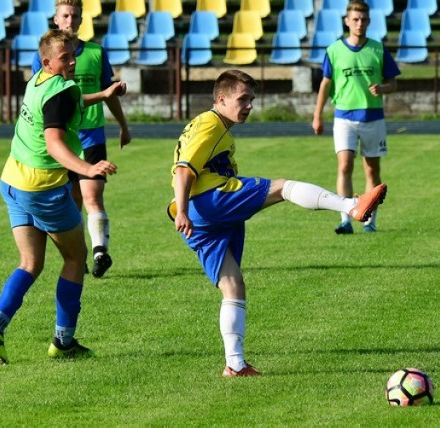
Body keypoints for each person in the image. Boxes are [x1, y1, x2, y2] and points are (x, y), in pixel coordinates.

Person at [169, 69, 387, 377]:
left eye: (252, 100)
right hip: (208, 200)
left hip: (199, 215)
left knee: (233, 286)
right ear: (221, 99)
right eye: (242, 99)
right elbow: (183, 170)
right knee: (283, 187)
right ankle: (352, 205)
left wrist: (182, 210)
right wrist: (183, 211)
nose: (248, 106)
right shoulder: (210, 124)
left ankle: (235, 364)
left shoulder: (213, 126)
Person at [0, 29, 126, 366]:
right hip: (43, 189)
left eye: (74, 54)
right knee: (76, 259)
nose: (73, 61)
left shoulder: (38, 81)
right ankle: (63, 341)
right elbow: (55, 145)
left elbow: (66, 103)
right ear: (48, 61)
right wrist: (88, 169)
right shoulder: (61, 92)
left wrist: (103, 94)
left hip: (12, 182)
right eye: (66, 58)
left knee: (30, 263)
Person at [32, 0, 132, 278]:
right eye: (65, 15)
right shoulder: (45, 56)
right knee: (72, 200)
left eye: (75, 15)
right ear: (56, 19)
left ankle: (100, 250)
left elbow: (108, 93)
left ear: (81, 18)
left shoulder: (97, 52)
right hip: (64, 137)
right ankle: (79, 255)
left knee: (92, 196)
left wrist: (123, 125)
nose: (70, 20)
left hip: (91, 134)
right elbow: (39, 97)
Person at [312, 0, 400, 235]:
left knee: (371, 170)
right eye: (355, 19)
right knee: (344, 165)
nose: (359, 23)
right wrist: (317, 115)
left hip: (373, 117)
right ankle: (346, 219)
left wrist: (383, 88)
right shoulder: (334, 50)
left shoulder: (378, 49)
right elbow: (325, 84)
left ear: (369, 22)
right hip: (344, 117)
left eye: (363, 19)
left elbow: (393, 84)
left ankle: (369, 220)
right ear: (347, 21)